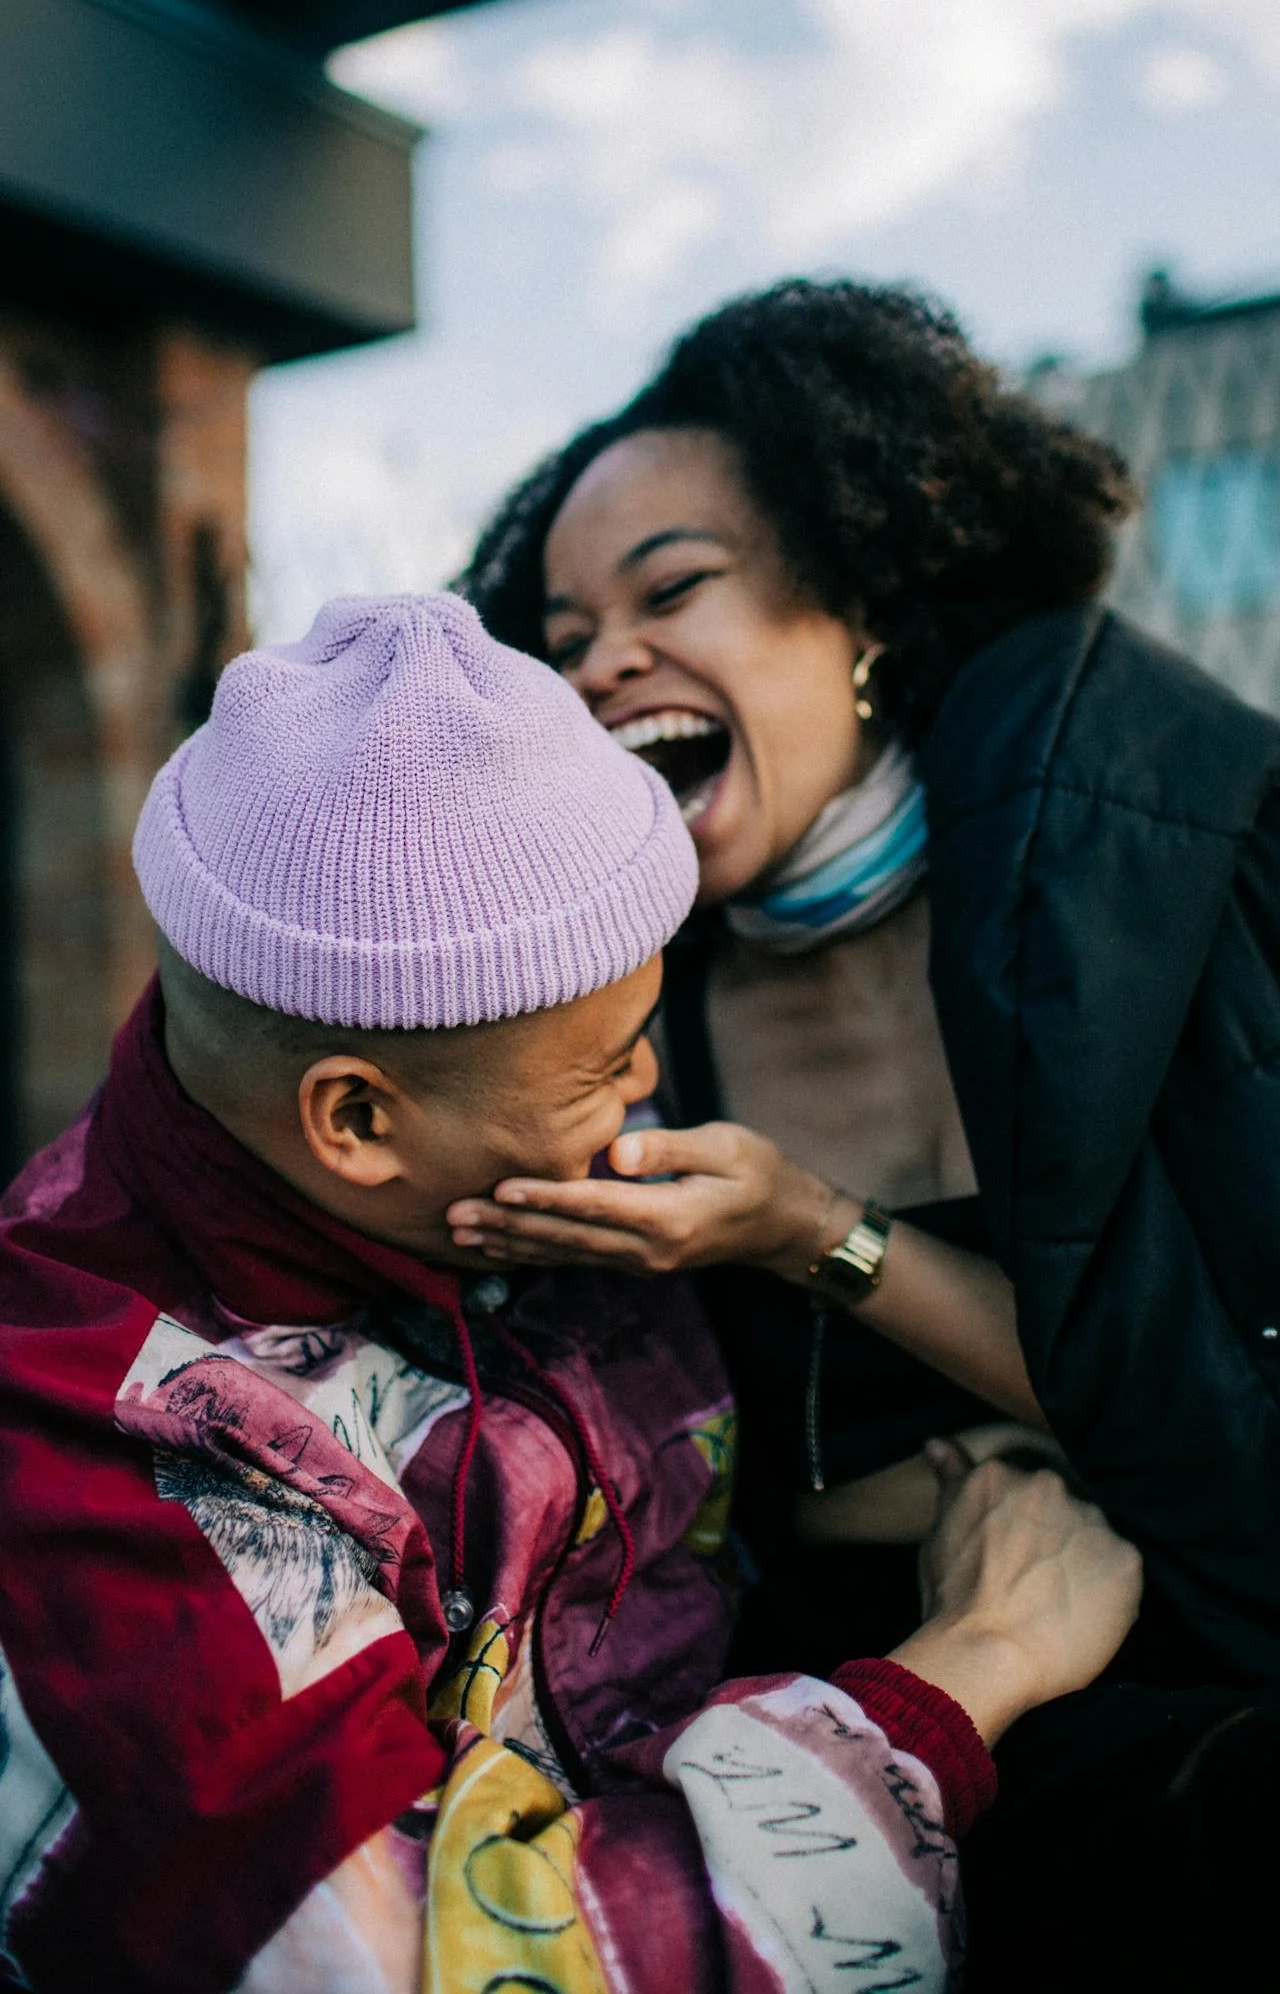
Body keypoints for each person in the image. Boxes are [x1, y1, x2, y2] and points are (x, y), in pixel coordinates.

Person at [0, 591, 1140, 1993]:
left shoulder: (483, 1202)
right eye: (606, 1067)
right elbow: (446, 1963)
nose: (651, 1090)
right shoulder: (102, 1462)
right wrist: (970, 1668)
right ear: (356, 1121)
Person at [456, 277, 1280, 1699]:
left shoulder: (1170, 884)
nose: (601, 667)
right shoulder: (617, 1019)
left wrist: (811, 1229)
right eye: (567, 636)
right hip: (832, 1712)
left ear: (856, 603)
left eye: (671, 589)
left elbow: (1205, 1410)